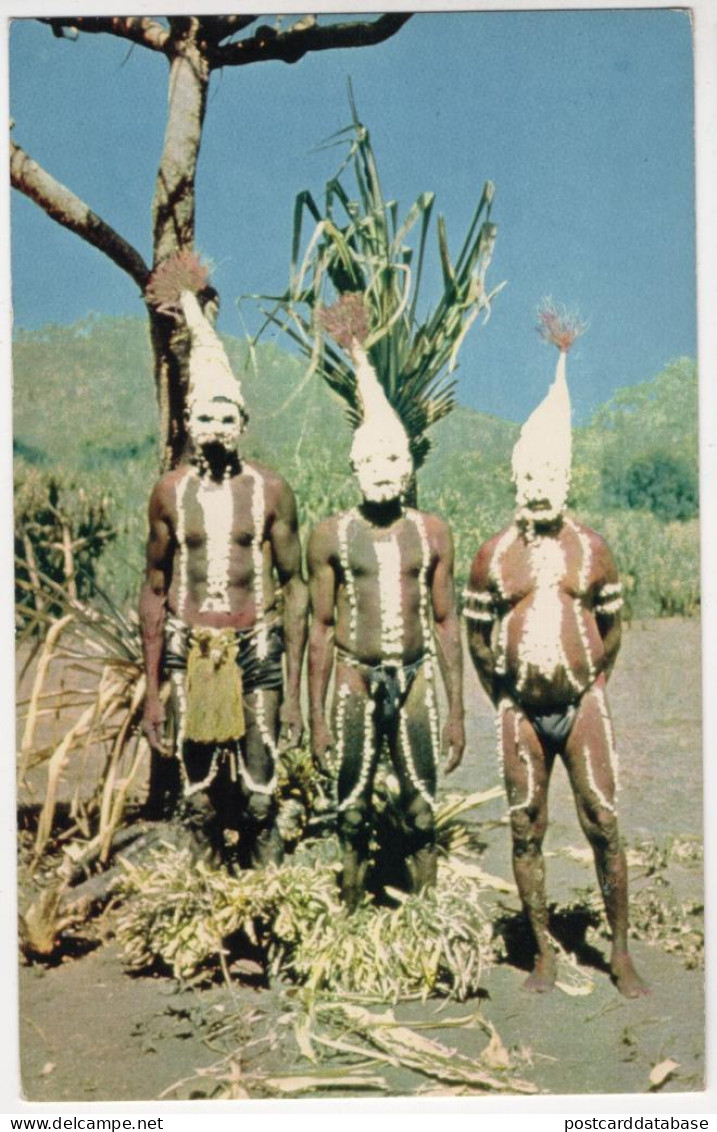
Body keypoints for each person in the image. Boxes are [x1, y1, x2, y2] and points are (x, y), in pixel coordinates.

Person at [464, 305, 648, 997]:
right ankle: (541, 951)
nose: (537, 483)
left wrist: (588, 684)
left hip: (581, 706)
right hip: (518, 712)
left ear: (562, 478)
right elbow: (480, 645)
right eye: (527, 473)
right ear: (515, 478)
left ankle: (620, 954)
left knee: (602, 820)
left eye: (548, 472)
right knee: (526, 828)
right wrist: (506, 698)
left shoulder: (589, 548)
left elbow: (613, 631)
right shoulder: (494, 555)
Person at [140, 258, 307, 867]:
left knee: (261, 800)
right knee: (201, 804)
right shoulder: (169, 493)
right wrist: (153, 689)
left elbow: (297, 587)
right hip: (191, 649)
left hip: (257, 644)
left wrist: (291, 691)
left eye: (226, 417)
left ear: (244, 423)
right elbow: (155, 589)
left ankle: (268, 916)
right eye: (204, 417)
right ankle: (208, 920)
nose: (215, 428)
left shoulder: (271, 491)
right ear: (188, 422)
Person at [307, 296, 465, 910]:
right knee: (349, 810)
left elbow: (447, 623)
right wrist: (316, 715)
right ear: (354, 465)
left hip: (417, 675)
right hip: (352, 676)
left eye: (394, 458)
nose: (383, 469)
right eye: (372, 459)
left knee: (420, 807)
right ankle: (347, 914)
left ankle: (424, 919)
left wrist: (455, 711)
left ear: (409, 466)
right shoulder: (331, 535)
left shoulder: (432, 532)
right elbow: (321, 628)